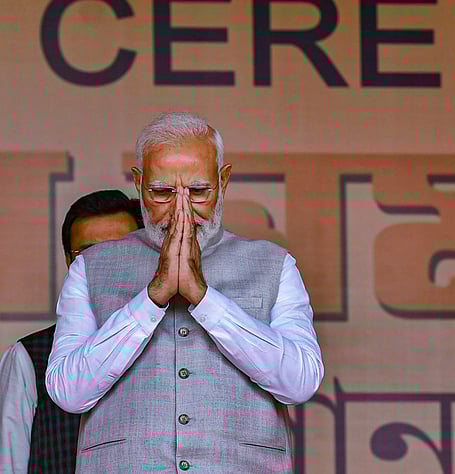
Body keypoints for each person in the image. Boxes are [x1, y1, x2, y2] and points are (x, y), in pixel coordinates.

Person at [45, 113, 324, 472]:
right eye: (162, 192)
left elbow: (300, 383)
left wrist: (206, 299)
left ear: (223, 181)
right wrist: (152, 298)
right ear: (139, 183)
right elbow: (68, 391)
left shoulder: (275, 265)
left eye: (198, 191)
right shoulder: (90, 266)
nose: (181, 210)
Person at [0, 190, 142, 474]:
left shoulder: (179, 347)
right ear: (69, 261)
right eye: (88, 253)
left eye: (120, 249)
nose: (105, 265)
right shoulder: (29, 357)